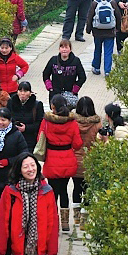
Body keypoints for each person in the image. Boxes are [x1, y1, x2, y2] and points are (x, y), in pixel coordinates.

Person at [40, 94, 82, 233]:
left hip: (52, 159)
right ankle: (65, 223)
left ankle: (53, 222)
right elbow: (77, 144)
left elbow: (40, 139)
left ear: (53, 106)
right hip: (68, 159)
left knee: (52, 192)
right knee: (64, 191)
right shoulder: (72, 123)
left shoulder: (46, 122)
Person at [72, 97, 102, 230]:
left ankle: (76, 217)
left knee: (76, 188)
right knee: (88, 190)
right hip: (90, 162)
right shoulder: (97, 124)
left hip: (74, 161)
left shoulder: (73, 122)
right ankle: (85, 220)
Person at [86, 0, 120, 76]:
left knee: (97, 49)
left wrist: (88, 29)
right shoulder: (112, 2)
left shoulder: (95, 3)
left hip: (97, 31)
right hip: (110, 31)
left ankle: (96, 68)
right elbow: (118, 16)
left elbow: (90, 17)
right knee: (108, 51)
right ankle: (107, 70)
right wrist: (118, 28)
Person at [8, 80, 44, 151]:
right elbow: (7, 118)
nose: (22, 93)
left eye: (25, 91)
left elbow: (40, 123)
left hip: (30, 140)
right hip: (14, 138)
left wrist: (26, 128)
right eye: (20, 91)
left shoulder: (37, 105)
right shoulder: (11, 102)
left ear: (30, 93)